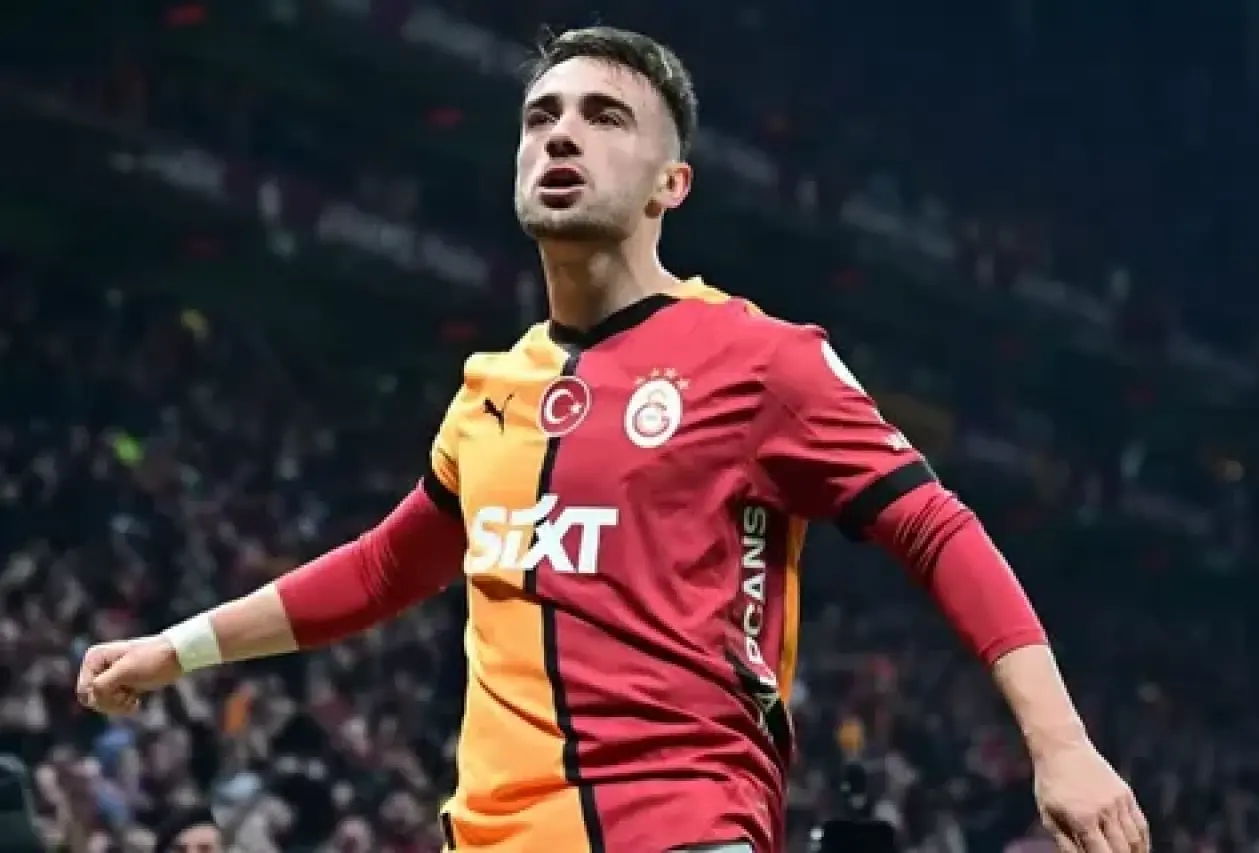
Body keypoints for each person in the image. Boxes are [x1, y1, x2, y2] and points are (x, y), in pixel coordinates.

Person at [74, 25, 1149, 853]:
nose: (560, 135)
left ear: (669, 186)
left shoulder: (760, 359)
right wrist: (178, 649)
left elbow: (933, 526)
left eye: (602, 118)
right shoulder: (489, 391)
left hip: (677, 824)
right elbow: (385, 565)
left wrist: (1059, 744)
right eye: (540, 116)